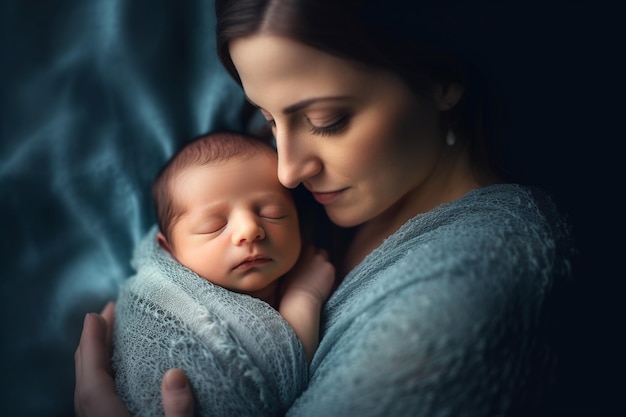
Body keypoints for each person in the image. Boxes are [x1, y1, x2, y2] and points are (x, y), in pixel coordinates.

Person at [74, 1, 575, 416]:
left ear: (442, 79)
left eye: (326, 120)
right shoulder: (274, 181)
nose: (287, 173)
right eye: (269, 119)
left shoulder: (454, 302)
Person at [112, 131, 334, 416]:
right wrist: (304, 295)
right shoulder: (164, 301)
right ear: (169, 250)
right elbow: (282, 371)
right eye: (214, 226)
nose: (249, 230)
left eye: (272, 212)